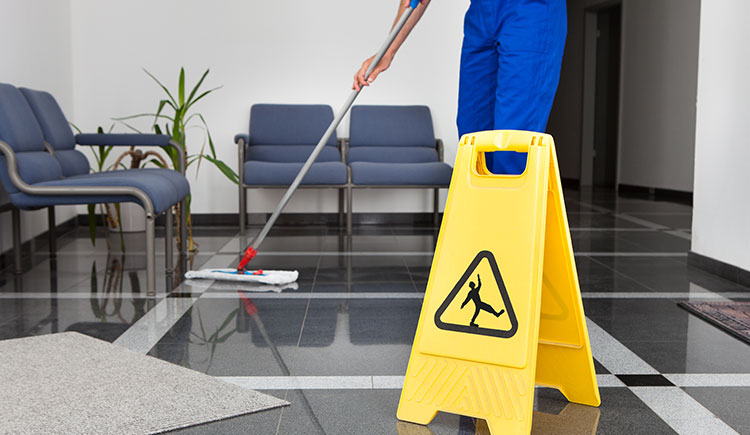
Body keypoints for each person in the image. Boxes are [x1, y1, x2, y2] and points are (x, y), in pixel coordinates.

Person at [353, 0, 567, 175]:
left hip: (531, 11)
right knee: (472, 137)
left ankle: (510, 225)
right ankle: (480, 223)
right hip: (482, 14)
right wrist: (388, 51)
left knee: (512, 143)